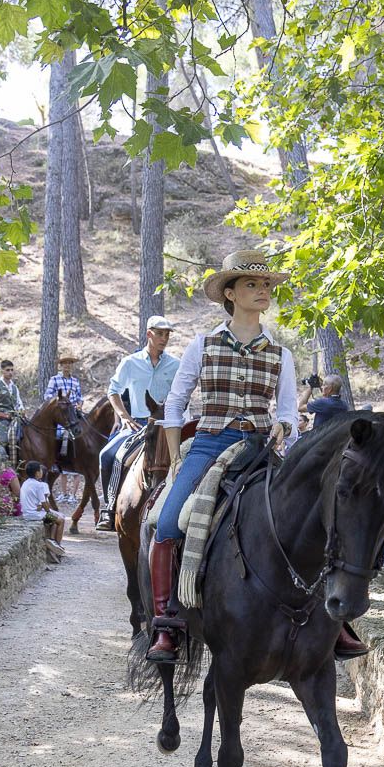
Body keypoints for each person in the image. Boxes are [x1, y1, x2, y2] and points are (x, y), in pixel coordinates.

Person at [148, 248, 300, 660]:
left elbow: (288, 411)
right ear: (230, 294)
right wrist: (178, 453)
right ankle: (167, 623)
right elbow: (176, 403)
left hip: (259, 448)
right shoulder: (203, 345)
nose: (262, 290)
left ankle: (328, 621)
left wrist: (284, 428)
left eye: (266, 284)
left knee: (306, 517)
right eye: (252, 283)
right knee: (166, 523)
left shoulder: (281, 354)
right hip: (211, 443)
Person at [96, 315, 181, 531]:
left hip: (168, 424)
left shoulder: (175, 365)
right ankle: (109, 508)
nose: (164, 338)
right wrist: (124, 417)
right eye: (160, 334)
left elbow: (183, 394)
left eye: (167, 334)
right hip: (139, 423)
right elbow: (113, 390)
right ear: (149, 334)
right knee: (108, 455)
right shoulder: (130, 363)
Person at [43, 353, 83, 492]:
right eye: (65, 363)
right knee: (59, 434)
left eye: (70, 363)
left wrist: (79, 405)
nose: (68, 365)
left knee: (84, 431)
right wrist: (60, 402)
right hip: (60, 414)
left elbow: (80, 397)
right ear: (61, 365)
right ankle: (56, 461)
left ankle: (79, 460)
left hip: (72, 414)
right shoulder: (54, 379)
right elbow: (47, 396)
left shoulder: (75, 381)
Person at [20, 460, 65, 557]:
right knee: (60, 520)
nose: (42, 472)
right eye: (40, 470)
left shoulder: (25, 483)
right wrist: (49, 512)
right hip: (35, 515)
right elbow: (44, 502)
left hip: (26, 514)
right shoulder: (39, 485)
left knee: (53, 522)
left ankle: (52, 541)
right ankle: (57, 546)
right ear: (37, 473)